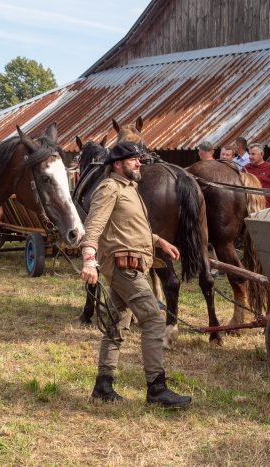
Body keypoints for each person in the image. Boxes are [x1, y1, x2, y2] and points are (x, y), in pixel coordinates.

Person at [80, 141, 191, 409]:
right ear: (118, 165)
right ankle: (156, 389)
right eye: (133, 160)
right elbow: (93, 226)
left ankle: (103, 386)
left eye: (138, 159)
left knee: (116, 324)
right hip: (123, 267)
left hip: (134, 264)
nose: (139, 163)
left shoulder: (130, 189)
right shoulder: (109, 188)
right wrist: (89, 260)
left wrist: (159, 241)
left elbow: (131, 228)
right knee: (153, 319)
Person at [244, 143, 270, 208]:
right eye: (249, 154)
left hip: (265, 207)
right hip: (248, 206)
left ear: (261, 154)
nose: (250, 157)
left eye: (253, 154)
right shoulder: (245, 168)